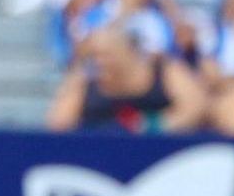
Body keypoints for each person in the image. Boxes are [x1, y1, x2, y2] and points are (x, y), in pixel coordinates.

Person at [46, 24, 209, 131]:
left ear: (126, 53)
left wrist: (150, 126)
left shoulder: (163, 70)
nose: (100, 62)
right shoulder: (85, 82)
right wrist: (73, 81)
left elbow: (197, 106)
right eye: (94, 56)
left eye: (106, 55)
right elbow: (58, 124)